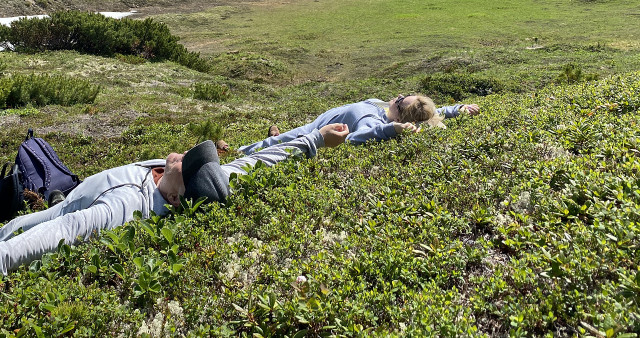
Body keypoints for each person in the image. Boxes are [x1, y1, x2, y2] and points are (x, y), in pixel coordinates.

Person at [0, 124, 350, 275]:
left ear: (177, 200)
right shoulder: (213, 180)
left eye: (188, 164)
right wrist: (316, 139)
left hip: (65, 207)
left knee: (15, 228)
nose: (184, 155)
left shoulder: (129, 206)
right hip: (75, 194)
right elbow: (256, 161)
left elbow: (66, 228)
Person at [237, 94, 480, 154]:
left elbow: (357, 137)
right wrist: (457, 109)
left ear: (398, 116)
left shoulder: (373, 121)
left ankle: (236, 154)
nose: (396, 97)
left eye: (398, 100)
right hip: (318, 121)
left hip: (313, 131)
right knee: (277, 139)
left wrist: (391, 130)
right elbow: (429, 115)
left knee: (275, 143)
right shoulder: (387, 110)